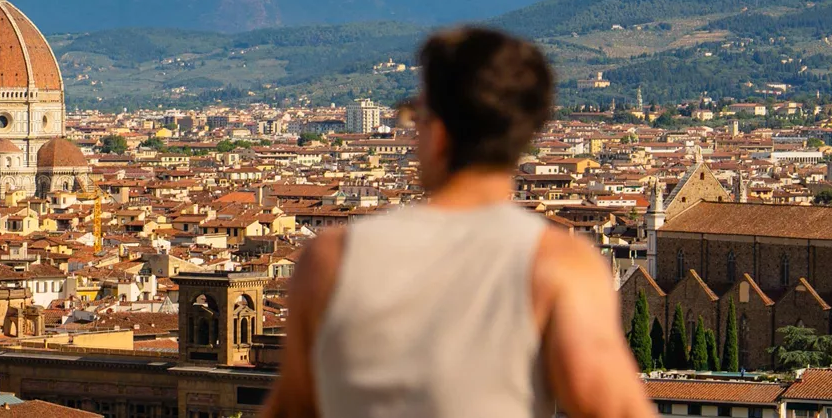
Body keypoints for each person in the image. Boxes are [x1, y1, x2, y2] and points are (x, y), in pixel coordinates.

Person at [262, 27, 653, 418]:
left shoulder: (332, 259)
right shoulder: (558, 265)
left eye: (418, 117)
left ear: (440, 132)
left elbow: (293, 407)